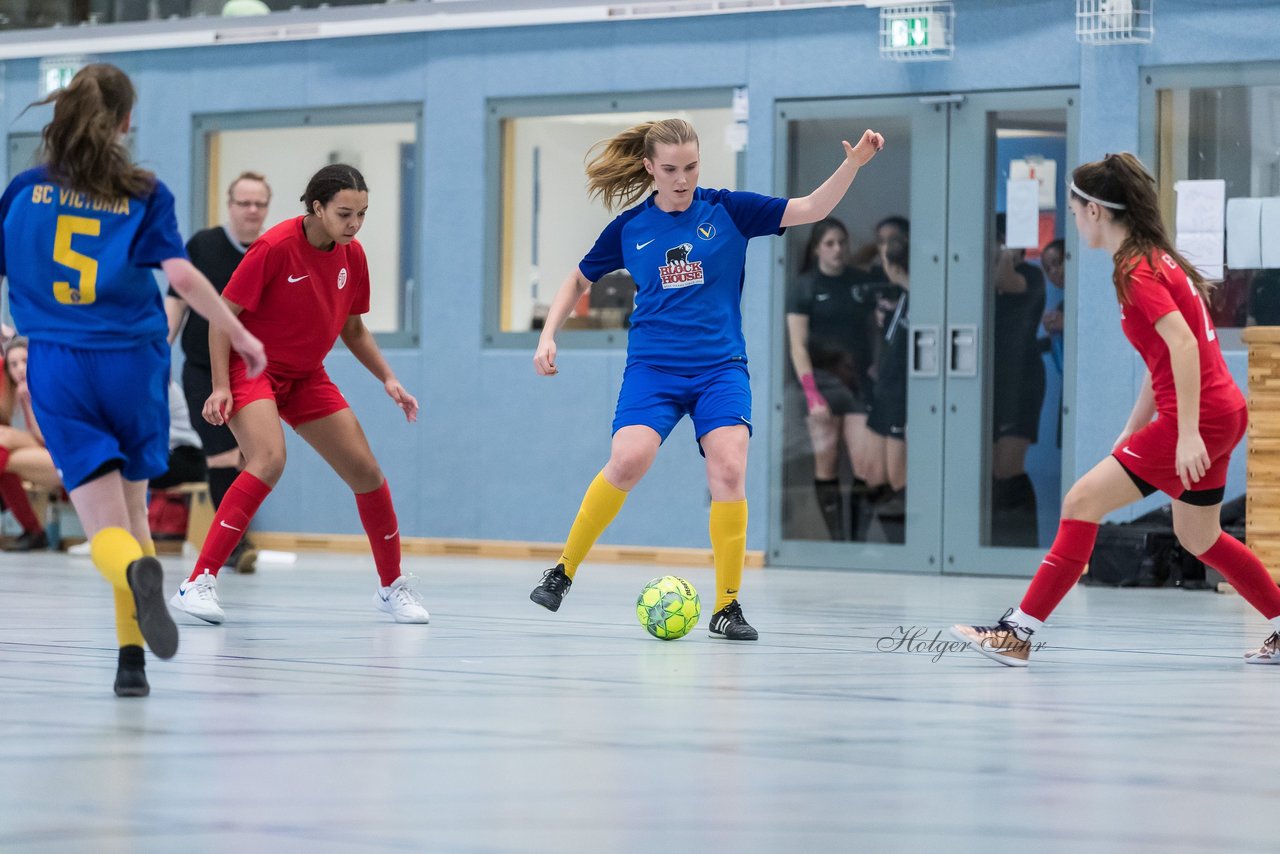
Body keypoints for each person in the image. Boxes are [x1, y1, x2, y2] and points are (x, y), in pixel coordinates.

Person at [528, 118, 884, 639]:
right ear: (650, 167)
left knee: (729, 470)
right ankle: (562, 571)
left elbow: (811, 208)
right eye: (670, 169)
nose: (682, 179)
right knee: (628, 459)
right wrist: (548, 334)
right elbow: (578, 278)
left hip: (720, 369)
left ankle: (727, 607)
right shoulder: (631, 228)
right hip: (653, 368)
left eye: (691, 167)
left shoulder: (728, 210)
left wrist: (851, 164)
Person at [952, 152, 1280, 666]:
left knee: (1081, 503)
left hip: (1198, 419)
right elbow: (1163, 357)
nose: (1073, 219)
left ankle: (1018, 632)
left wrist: (1188, 431)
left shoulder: (1136, 270)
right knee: (1200, 536)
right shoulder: (1153, 258)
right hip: (1221, 412)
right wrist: (1132, 427)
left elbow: (1184, 347)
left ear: (1096, 212)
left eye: (1074, 209)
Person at [0, 63, 266, 696]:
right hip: (136, 362)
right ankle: (131, 664)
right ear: (124, 123)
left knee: (106, 531)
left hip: (60, 363)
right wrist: (242, 332)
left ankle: (134, 589)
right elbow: (180, 276)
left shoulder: (23, 191)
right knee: (135, 513)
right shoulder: (144, 190)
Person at [169, 164, 427, 626]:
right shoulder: (274, 247)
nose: (354, 224)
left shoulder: (353, 256)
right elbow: (221, 317)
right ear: (316, 207)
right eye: (345, 213)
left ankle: (392, 586)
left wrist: (388, 379)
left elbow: (353, 328)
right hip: (253, 369)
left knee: (366, 472)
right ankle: (199, 581)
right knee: (268, 459)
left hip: (307, 376)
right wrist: (221, 386)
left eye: (362, 214)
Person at [165, 170, 271, 573]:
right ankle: (236, 545)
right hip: (203, 371)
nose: (251, 210)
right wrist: (161, 351)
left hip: (253, 372)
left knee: (253, 458)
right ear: (230, 205)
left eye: (259, 203)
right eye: (243, 202)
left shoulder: (270, 249)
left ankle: (232, 535)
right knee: (222, 456)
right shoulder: (204, 246)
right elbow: (176, 303)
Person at [785, 218, 880, 541]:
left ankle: (855, 540)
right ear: (816, 250)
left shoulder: (860, 282)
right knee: (826, 463)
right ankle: (836, 540)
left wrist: (879, 367)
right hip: (821, 384)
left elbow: (877, 331)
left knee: (865, 466)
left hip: (857, 384)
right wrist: (812, 394)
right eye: (830, 243)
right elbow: (797, 345)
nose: (837, 249)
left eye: (842, 242)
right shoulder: (806, 286)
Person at [990, 216, 1047, 547]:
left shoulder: (1030, 275)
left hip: (1022, 380)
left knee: (1008, 468)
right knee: (992, 470)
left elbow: (1003, 275)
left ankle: (1023, 544)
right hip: (993, 381)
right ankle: (995, 542)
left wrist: (1003, 250)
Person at [863, 236, 910, 541]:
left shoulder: (919, 297)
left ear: (893, 265)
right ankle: (883, 545)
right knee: (874, 476)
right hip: (884, 393)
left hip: (899, 399)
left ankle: (907, 547)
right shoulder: (902, 297)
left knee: (897, 479)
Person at [0, 336, 52, 550]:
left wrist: (30, 401)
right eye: (13, 364)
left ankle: (34, 531)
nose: (20, 368)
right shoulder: (12, 394)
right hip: (39, 455)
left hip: (62, 457)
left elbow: (46, 439)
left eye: (25, 361)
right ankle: (33, 532)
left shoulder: (47, 385)